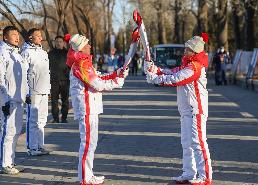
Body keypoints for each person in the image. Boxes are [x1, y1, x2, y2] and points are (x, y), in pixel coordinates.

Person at [144, 33, 212, 185]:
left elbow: (176, 79)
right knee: (186, 142)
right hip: (186, 110)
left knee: (198, 142)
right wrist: (156, 69)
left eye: (188, 49)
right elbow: (172, 72)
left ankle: (205, 177)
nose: (185, 51)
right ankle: (189, 173)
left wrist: (156, 79)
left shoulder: (195, 67)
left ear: (195, 52)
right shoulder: (187, 64)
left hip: (196, 110)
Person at [65, 34, 129, 185]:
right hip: (86, 108)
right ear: (81, 48)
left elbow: (99, 77)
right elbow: (98, 85)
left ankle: (88, 175)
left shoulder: (84, 63)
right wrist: (117, 82)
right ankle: (85, 178)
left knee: (91, 143)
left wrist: (116, 74)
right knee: (87, 143)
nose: (90, 47)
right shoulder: (81, 64)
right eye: (87, 45)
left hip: (90, 107)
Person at [0, 26, 28, 174]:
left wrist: (27, 94)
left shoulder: (17, 54)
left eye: (17, 35)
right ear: (5, 37)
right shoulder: (2, 53)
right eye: (13, 35)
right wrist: (4, 100)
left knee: (16, 131)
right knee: (7, 131)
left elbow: (23, 77)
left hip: (19, 99)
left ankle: (10, 160)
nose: (17, 37)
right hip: (8, 99)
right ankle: (4, 164)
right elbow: (0, 79)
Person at [21, 28, 50, 156]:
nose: (40, 37)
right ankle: (32, 147)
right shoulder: (26, 52)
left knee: (42, 120)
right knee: (33, 119)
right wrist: (26, 92)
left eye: (40, 35)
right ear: (30, 37)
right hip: (33, 91)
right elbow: (23, 74)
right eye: (37, 35)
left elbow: (46, 73)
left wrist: (48, 90)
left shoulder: (44, 52)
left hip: (44, 90)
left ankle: (40, 145)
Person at [48, 36, 70, 123]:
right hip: (54, 80)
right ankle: (55, 118)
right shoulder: (51, 53)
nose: (58, 43)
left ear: (63, 43)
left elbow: (71, 66)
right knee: (54, 100)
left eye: (60, 41)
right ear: (54, 42)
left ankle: (64, 118)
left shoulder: (67, 53)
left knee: (65, 100)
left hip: (65, 80)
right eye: (57, 41)